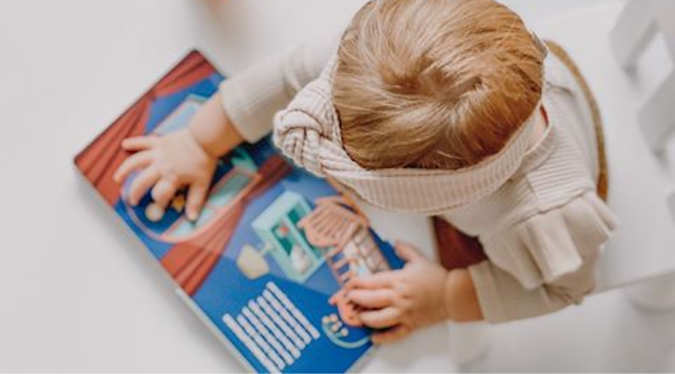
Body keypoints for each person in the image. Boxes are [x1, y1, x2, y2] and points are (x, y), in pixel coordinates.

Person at [113, 0, 617, 344]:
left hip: (540, 187)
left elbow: (562, 288)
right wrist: (200, 139)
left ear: (430, 195)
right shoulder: (380, 61)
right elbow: (290, 74)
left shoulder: (536, 215)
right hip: (489, 78)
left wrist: (443, 298)